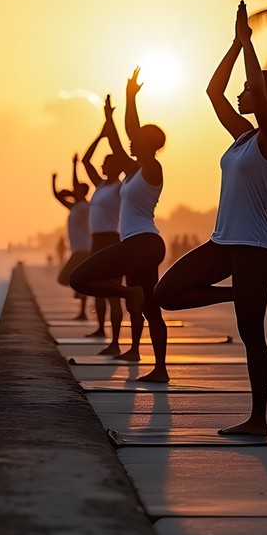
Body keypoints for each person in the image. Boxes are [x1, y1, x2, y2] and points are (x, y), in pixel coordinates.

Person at [155, 1, 267, 434]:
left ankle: (258, 419)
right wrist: (234, 43)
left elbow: (258, 96)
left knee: (251, 335)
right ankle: (235, 295)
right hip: (225, 242)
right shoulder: (242, 137)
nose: (242, 93)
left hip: (256, 248)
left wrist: (249, 45)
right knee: (166, 293)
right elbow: (212, 92)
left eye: (252, 89)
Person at [69, 70, 168, 375]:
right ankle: (156, 366)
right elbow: (119, 138)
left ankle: (132, 301)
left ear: (148, 144)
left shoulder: (152, 168)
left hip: (144, 242)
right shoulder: (133, 171)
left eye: (136, 142)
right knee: (148, 307)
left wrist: (131, 99)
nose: (129, 145)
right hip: (137, 245)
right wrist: (110, 116)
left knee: (79, 279)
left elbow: (132, 131)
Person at [80, 101, 127, 355]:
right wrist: (100, 134)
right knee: (96, 287)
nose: (101, 166)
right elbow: (86, 161)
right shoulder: (99, 185)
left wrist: (111, 124)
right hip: (96, 241)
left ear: (116, 166)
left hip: (112, 240)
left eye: (106, 164)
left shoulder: (120, 187)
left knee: (112, 292)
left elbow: (119, 154)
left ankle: (116, 342)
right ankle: (100, 329)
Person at [52, 157, 91, 319]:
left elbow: (74, 185)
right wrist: (53, 181)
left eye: (77, 190)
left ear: (82, 192)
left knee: (63, 278)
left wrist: (74, 166)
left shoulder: (84, 207)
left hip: (83, 250)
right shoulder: (74, 206)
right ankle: (82, 309)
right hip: (78, 250)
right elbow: (58, 197)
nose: (73, 191)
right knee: (81, 279)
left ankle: (82, 290)